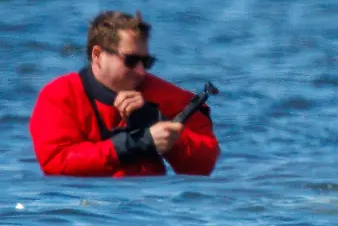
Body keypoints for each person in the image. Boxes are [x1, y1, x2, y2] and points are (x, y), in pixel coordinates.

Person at [29, 11, 220, 177]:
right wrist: (136, 144)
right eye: (130, 61)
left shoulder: (165, 95)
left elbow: (204, 166)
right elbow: (56, 162)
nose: (141, 72)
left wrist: (163, 127)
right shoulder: (59, 95)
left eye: (146, 62)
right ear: (97, 55)